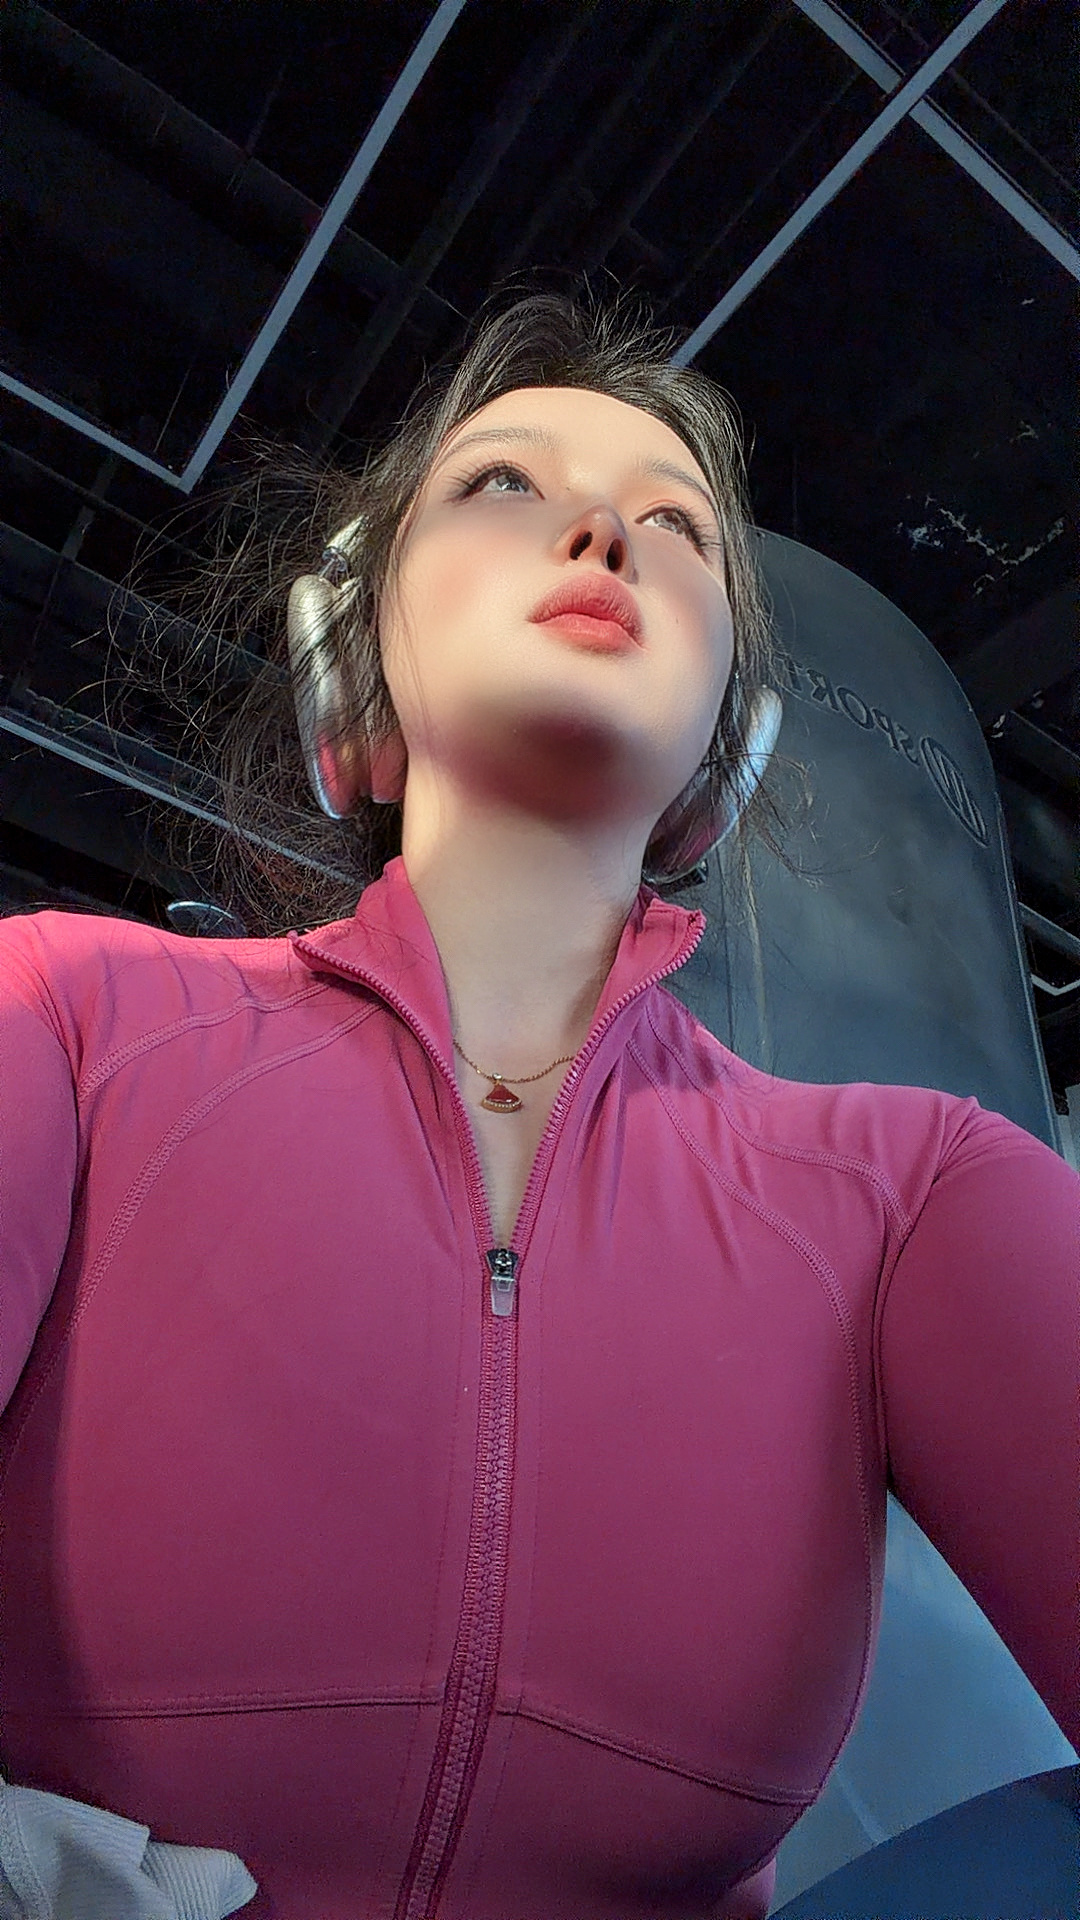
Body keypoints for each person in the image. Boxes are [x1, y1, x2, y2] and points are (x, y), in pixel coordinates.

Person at [0, 290, 1076, 1920]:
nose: (601, 531)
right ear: (350, 678)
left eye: (676, 527)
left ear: (725, 753)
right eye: (503, 484)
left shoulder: (914, 1193)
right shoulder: (69, 1019)